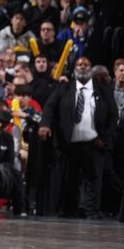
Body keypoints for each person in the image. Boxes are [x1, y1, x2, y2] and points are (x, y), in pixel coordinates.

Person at [38, 56, 117, 218]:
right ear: (74, 69)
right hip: (69, 143)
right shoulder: (64, 88)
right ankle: (68, 210)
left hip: (94, 142)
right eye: (79, 64)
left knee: (93, 180)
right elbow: (50, 107)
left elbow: (112, 115)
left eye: (86, 64)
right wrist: (45, 125)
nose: (82, 67)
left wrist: (104, 138)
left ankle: (91, 211)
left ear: (91, 69)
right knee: (69, 178)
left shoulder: (103, 89)